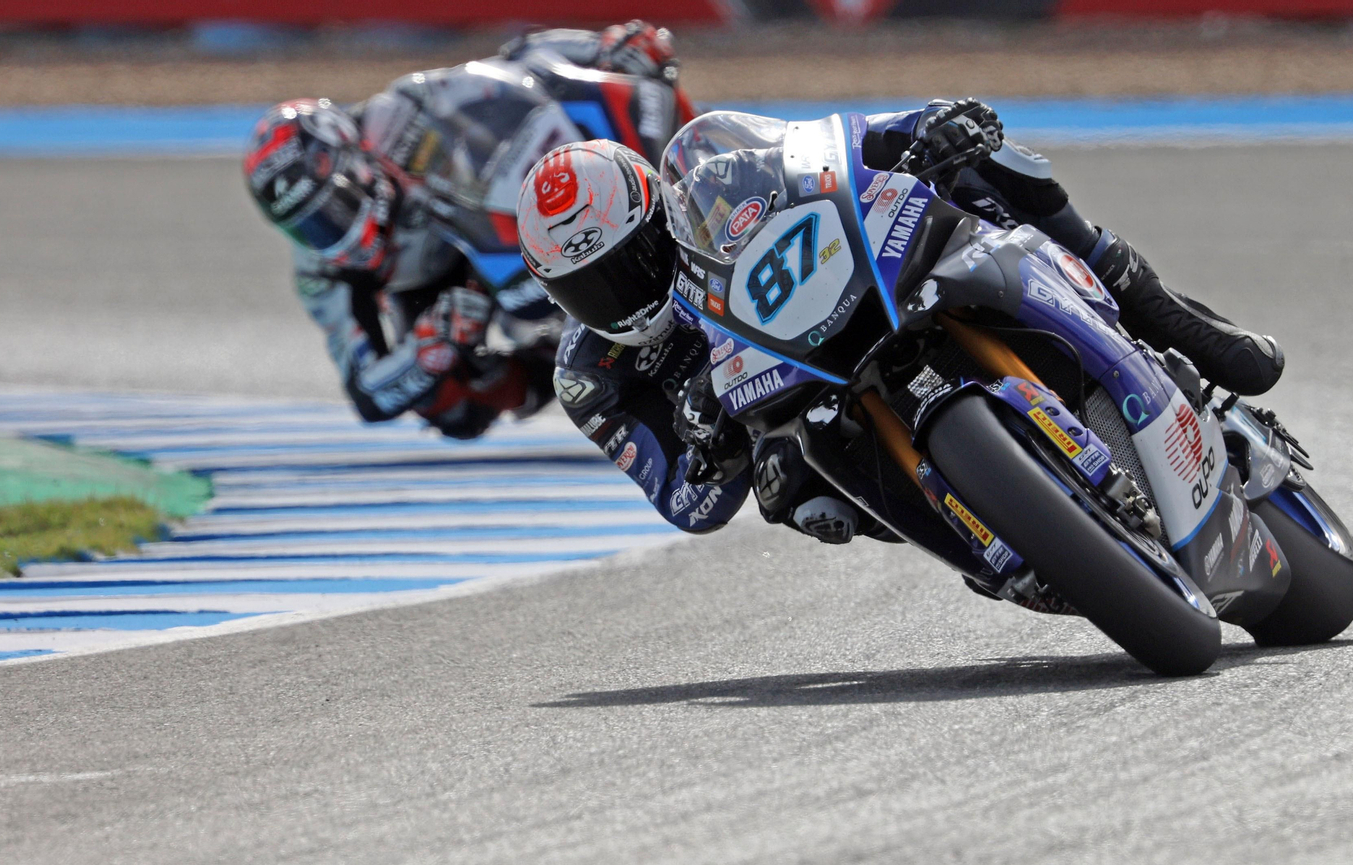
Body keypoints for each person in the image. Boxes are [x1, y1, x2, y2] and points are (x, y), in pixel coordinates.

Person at [514, 100, 1285, 545]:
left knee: (987, 168)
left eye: (633, 260)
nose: (623, 296)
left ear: (660, 215)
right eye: (590, 290)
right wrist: (713, 453)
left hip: (848, 293)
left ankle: (1173, 321)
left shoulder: (713, 178)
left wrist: (921, 124)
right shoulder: (590, 379)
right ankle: (997, 541)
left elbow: (827, 149)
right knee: (801, 500)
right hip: (787, 419)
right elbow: (688, 507)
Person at [243, 21, 690, 439]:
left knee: (638, 77)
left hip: (499, 225)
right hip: (455, 292)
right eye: (307, 226)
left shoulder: (401, 118)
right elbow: (367, 396)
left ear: (357, 166)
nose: (329, 232)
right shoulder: (320, 269)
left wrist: (601, 49)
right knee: (450, 408)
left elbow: (522, 61)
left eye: (332, 208)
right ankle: (546, 368)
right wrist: (427, 347)